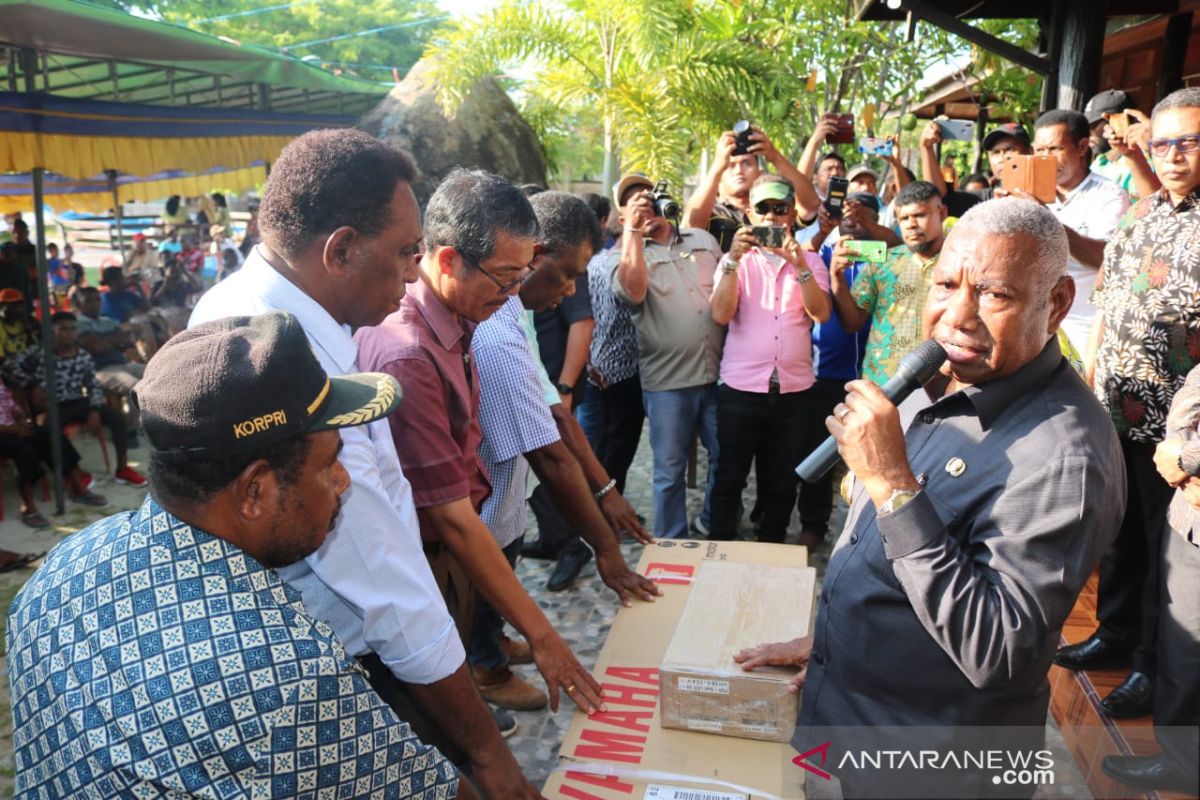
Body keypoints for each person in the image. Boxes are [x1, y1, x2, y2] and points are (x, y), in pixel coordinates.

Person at [736, 198, 1125, 798]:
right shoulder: (946, 378)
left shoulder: (1064, 457)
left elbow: (997, 648)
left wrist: (891, 483)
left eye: (994, 295)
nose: (957, 316)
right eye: (946, 284)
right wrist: (839, 640)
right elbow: (904, 562)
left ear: (1056, 305)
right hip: (847, 720)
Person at [190, 130, 539, 797]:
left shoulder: (278, 314)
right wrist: (484, 749)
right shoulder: (280, 353)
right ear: (342, 248)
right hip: (336, 657)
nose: (414, 273)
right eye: (408, 252)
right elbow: (382, 581)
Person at [6, 312, 475, 799]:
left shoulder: (59, 569)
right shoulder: (288, 675)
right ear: (255, 491)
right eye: (330, 461)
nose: (343, 481)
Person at [355, 168, 608, 722]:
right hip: (426, 554)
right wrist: (543, 637)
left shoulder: (464, 315)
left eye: (522, 276)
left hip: (451, 544)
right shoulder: (409, 355)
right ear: (447, 261)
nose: (516, 294)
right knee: (438, 717)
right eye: (505, 279)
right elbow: (449, 518)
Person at [470, 190, 658, 706]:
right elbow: (550, 455)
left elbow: (557, 412)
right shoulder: (497, 333)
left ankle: (491, 645)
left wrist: (606, 487)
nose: (572, 290)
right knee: (480, 577)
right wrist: (605, 549)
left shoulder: (518, 311)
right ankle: (483, 671)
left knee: (503, 559)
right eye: (568, 274)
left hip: (503, 503)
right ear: (536, 254)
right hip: (477, 505)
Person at [1055, 87, 1200, 721]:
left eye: (1188, 142)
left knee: (1166, 554)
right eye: (1162, 143)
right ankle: (1115, 632)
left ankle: (1150, 664)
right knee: (1119, 535)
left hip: (1179, 430)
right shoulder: (1142, 214)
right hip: (1119, 408)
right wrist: (1092, 379)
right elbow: (1111, 296)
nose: (1173, 155)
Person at [707, 175, 830, 543]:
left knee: (781, 481)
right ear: (750, 213)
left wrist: (800, 265)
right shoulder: (737, 261)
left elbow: (821, 314)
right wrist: (731, 260)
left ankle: (771, 545)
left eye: (780, 209)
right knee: (729, 475)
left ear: (792, 213)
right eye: (764, 209)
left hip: (793, 390)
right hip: (741, 388)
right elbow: (720, 314)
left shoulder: (809, 261)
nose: (773, 217)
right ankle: (720, 544)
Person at [1099, 363, 1200, 795]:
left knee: (1188, 647)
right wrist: (1176, 445)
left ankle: (1185, 764)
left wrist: (1185, 457)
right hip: (1189, 510)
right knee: (1182, 645)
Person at [610, 173, 723, 539]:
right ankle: (671, 542)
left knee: (725, 458)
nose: (646, 203)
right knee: (669, 470)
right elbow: (632, 291)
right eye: (634, 202)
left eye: (650, 196)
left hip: (721, 376)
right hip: (669, 384)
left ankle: (713, 521)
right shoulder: (625, 254)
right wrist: (633, 232)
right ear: (623, 215)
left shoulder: (703, 240)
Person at [1004, 109, 1130, 352]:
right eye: (1039, 150)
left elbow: (1105, 259)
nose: (1045, 159)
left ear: (1082, 147)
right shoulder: (1026, 193)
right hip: (1030, 327)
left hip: (1084, 331)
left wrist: (1045, 220)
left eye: (1054, 149)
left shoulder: (1108, 195)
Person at [6, 311, 147, 486]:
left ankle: (122, 469)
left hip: (78, 401)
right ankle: (75, 471)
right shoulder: (40, 352)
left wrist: (95, 410)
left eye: (73, 329)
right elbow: (9, 365)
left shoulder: (82, 356)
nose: (69, 333)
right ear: (51, 332)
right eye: (63, 329)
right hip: (53, 405)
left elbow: (92, 385)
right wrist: (31, 385)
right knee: (50, 428)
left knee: (116, 417)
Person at [830, 181, 949, 386]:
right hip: (882, 384)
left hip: (941, 385)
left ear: (942, 212)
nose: (911, 224)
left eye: (920, 215)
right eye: (903, 218)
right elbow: (852, 322)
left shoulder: (961, 263)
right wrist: (837, 278)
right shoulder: (883, 263)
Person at [684, 124, 819, 251]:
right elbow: (691, 223)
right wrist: (718, 165)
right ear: (720, 177)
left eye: (747, 163)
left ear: (760, 173)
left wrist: (775, 156)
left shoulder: (778, 211)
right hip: (726, 274)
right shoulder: (713, 213)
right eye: (730, 166)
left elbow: (811, 205)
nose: (739, 171)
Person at [0, 379, 104, 527]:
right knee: (24, 450)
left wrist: (22, 422)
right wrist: (14, 430)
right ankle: (28, 508)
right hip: (5, 433)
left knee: (52, 436)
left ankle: (79, 489)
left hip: (13, 429)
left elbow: (11, 407)